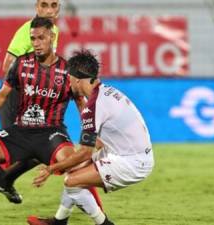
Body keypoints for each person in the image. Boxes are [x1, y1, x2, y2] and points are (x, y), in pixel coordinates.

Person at [0, 17, 99, 225]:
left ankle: (102, 221)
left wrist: (92, 131)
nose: (37, 43)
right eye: (33, 38)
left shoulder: (67, 70)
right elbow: (3, 95)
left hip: (51, 134)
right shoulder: (21, 63)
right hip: (20, 132)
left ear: (52, 37)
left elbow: (81, 103)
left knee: (78, 169)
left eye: (41, 38)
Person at [28, 50, 155, 225]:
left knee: (71, 182)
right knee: (74, 171)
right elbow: (100, 140)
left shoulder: (93, 106)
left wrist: (52, 168)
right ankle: (59, 222)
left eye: (69, 77)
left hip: (131, 161)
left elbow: (85, 153)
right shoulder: (106, 91)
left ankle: (103, 223)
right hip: (128, 152)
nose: (68, 81)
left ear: (78, 79)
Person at [0, 0, 62, 212]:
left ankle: (4, 182)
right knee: (11, 152)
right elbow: (7, 67)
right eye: (44, 5)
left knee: (34, 152)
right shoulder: (27, 31)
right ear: (36, 7)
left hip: (31, 100)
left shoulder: (53, 30)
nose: (49, 10)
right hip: (16, 97)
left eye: (54, 5)